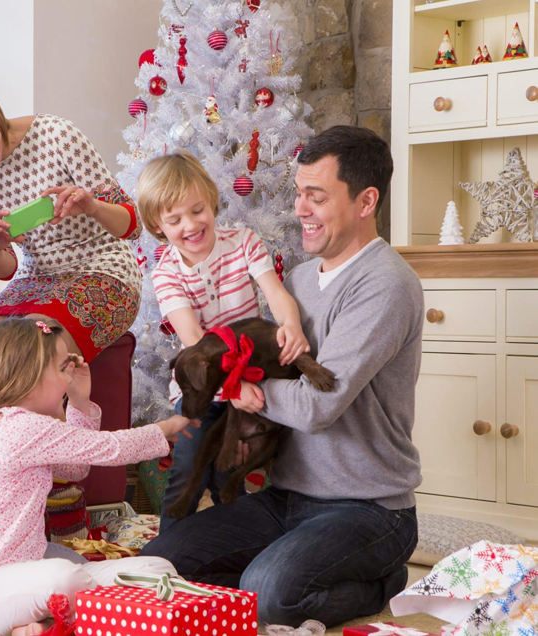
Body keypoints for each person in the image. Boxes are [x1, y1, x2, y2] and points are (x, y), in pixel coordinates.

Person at [141, 125, 424, 627]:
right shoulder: (295, 281)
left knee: (267, 593)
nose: (299, 209)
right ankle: (284, 566)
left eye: (315, 197)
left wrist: (243, 390)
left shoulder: (385, 285)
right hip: (286, 497)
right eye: (298, 194)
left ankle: (382, 579)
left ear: (365, 201)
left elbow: (317, 405)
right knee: (166, 560)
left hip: (368, 508)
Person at [0, 317, 195, 636]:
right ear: (30, 378)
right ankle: (56, 622)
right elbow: (110, 448)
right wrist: (167, 426)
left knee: (157, 569)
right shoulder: (19, 427)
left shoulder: (19, 426)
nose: (68, 377)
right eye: (63, 369)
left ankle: (37, 626)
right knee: (66, 577)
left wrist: (79, 401)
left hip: (26, 582)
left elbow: (74, 470)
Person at [135, 150, 309, 533]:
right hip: (204, 386)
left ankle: (236, 554)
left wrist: (291, 325)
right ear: (157, 226)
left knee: (229, 472)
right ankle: (168, 552)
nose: (191, 225)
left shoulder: (243, 242)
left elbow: (275, 293)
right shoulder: (166, 274)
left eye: (198, 210)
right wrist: (232, 390)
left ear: (212, 201)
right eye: (175, 219)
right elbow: (196, 342)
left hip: (251, 380)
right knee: (189, 467)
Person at [0, 76, 142, 367]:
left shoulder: (57, 134)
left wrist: (92, 206)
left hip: (103, 268)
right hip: (33, 277)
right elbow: (6, 269)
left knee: (33, 349)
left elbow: (133, 225)